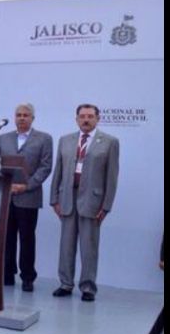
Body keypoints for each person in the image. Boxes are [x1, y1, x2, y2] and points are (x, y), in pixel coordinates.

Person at [50, 103, 119, 302]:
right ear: (76, 119)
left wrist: (106, 206)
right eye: (82, 116)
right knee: (66, 246)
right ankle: (65, 283)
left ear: (98, 118)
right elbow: (58, 172)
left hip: (92, 202)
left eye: (90, 116)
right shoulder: (65, 140)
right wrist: (54, 198)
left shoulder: (109, 142)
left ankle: (88, 287)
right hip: (67, 199)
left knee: (89, 247)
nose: (86, 120)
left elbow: (112, 177)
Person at [0, 103, 53, 291]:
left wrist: (27, 186)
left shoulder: (44, 139)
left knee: (27, 238)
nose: (22, 118)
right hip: (6, 196)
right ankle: (7, 273)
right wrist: (4, 184)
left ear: (33, 118)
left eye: (26, 115)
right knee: (7, 237)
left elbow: (46, 167)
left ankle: (28, 277)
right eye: (18, 115)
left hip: (29, 197)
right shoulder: (4, 138)